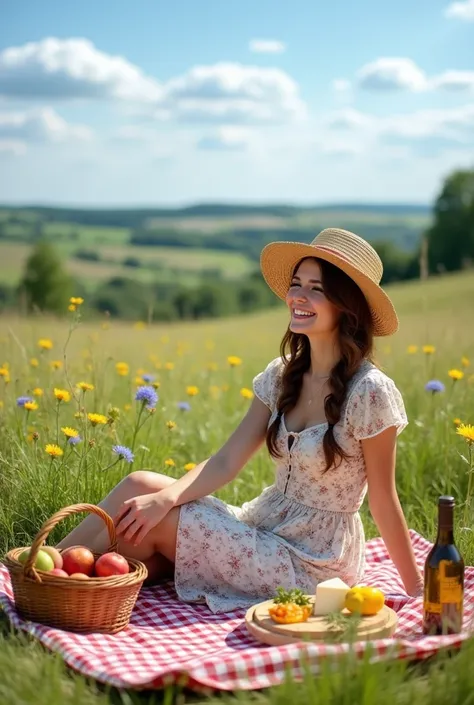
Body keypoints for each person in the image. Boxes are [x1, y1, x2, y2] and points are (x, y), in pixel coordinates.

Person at [57, 228, 423, 613]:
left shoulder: (369, 392)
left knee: (153, 527)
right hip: (263, 524)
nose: (298, 296)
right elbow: (225, 462)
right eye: (296, 284)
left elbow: (384, 500)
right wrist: (165, 498)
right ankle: (39, 565)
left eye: (316, 288)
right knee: (140, 486)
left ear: (347, 305)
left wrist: (416, 591)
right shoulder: (282, 376)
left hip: (315, 562)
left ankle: (49, 579)